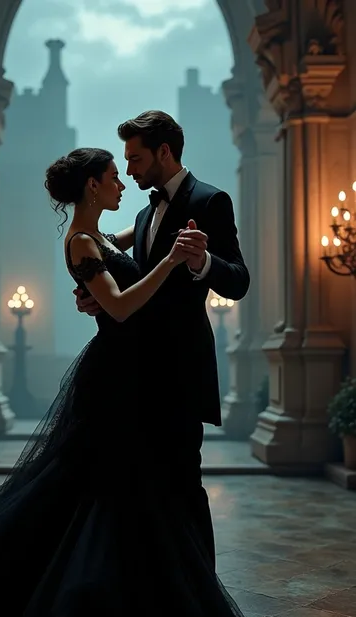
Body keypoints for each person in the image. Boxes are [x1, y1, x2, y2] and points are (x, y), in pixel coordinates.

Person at [0, 146, 245, 617]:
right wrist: (169, 263)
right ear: (92, 187)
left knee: (126, 494)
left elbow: (126, 270)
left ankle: (138, 604)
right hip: (115, 379)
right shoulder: (80, 241)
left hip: (139, 375)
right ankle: (79, 609)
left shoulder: (102, 236)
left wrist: (153, 265)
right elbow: (120, 306)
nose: (123, 183)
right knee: (97, 494)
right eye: (113, 176)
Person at [74, 111, 250, 571]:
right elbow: (121, 279)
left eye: (135, 159)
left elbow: (239, 280)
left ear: (164, 152)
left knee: (183, 483)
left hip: (181, 369)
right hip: (135, 375)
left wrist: (203, 263)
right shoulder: (142, 212)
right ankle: (153, 591)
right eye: (124, 163)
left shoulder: (212, 201)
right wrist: (94, 296)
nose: (129, 171)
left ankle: (201, 594)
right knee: (142, 486)